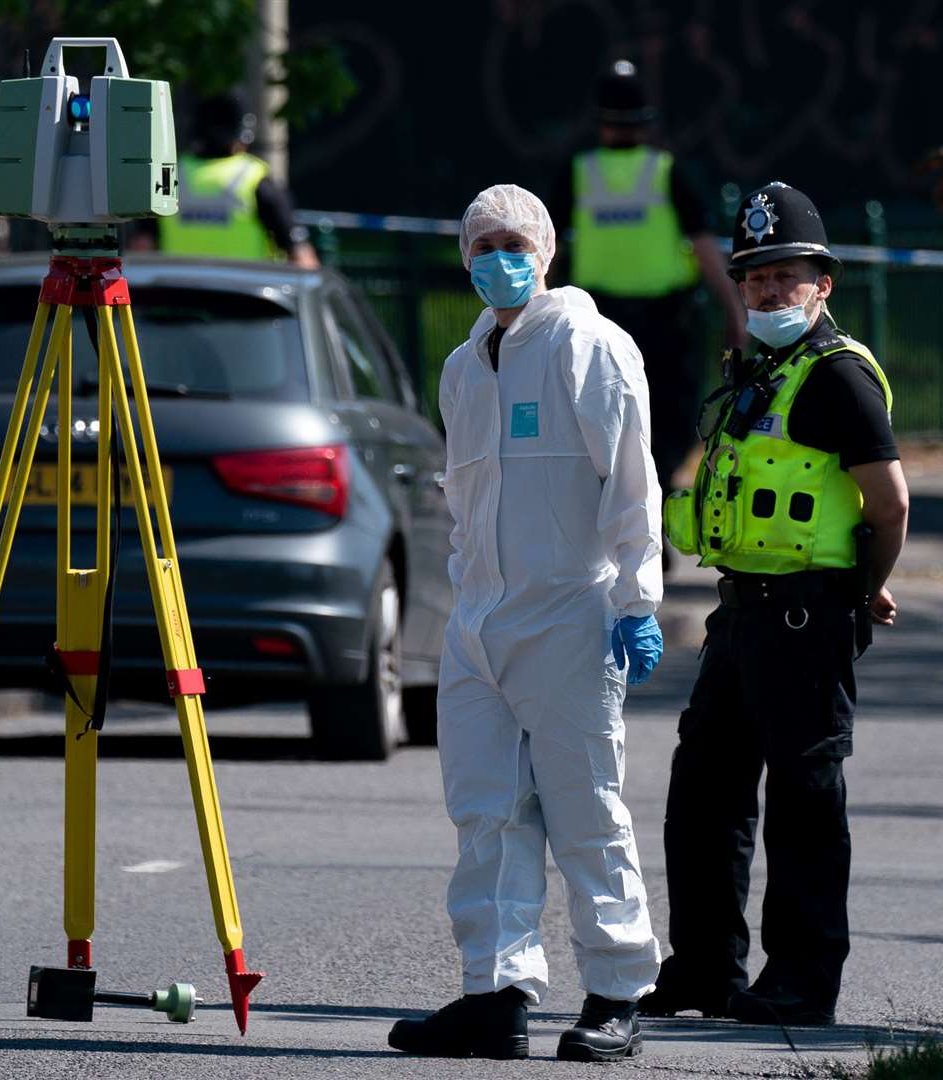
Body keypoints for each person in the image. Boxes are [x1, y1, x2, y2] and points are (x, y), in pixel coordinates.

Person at [387, 184, 664, 1063]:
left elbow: (632, 484)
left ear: (545, 251)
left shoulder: (590, 347)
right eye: (479, 245)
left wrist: (636, 598)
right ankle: (496, 990)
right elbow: (468, 505)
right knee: (486, 814)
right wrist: (464, 606)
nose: (494, 259)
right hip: (482, 624)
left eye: (511, 242)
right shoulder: (465, 366)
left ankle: (617, 992)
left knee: (586, 810)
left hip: (570, 614)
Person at [643, 182, 909, 1027]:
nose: (766, 290)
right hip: (742, 612)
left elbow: (890, 501)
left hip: (806, 613)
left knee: (803, 800)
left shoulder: (836, 377)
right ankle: (705, 971)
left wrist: (866, 585)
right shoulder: (758, 371)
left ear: (822, 282)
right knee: (705, 793)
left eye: (784, 276)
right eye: (753, 276)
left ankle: (800, 979)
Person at [550, 59, 747, 493]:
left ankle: (626, 505)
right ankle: (653, 496)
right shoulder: (668, 171)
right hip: (666, 324)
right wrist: (734, 310)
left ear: (600, 121)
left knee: (602, 420)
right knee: (668, 419)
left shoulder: (578, 173)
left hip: (599, 320)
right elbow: (704, 247)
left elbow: (551, 250)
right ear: (646, 122)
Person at [148, 94, 320, 267]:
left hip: (177, 288)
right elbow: (299, 254)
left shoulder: (170, 174)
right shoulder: (254, 177)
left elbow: (142, 244)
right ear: (240, 137)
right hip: (244, 290)